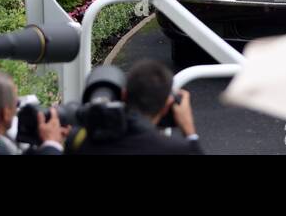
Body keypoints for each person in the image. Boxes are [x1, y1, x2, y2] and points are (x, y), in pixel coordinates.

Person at [64, 60, 202, 155]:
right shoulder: (176, 149)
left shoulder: (81, 142)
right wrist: (189, 132)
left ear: (124, 95)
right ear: (167, 106)